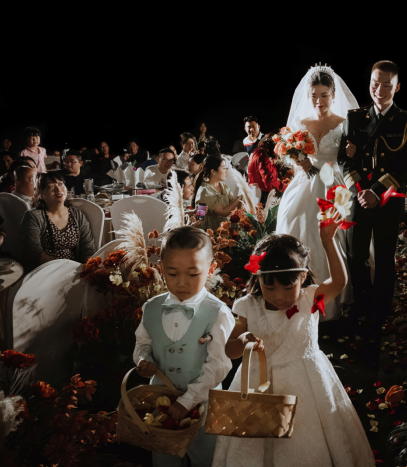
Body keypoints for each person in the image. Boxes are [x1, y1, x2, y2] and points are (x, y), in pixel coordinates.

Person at [212, 229, 375, 467]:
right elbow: (230, 350)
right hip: (259, 384)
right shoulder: (247, 307)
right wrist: (242, 341)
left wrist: (328, 241)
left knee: (305, 442)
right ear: (258, 279)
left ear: (302, 277)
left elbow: (339, 283)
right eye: (270, 288)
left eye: (288, 288)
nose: (280, 297)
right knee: (256, 445)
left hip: (307, 385)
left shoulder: (310, 299)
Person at [133, 226, 242, 467]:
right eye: (172, 273)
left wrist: (188, 400)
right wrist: (142, 359)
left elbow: (219, 364)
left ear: (211, 270)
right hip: (160, 404)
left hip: (204, 409)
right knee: (164, 458)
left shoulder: (218, 313)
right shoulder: (151, 307)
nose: (182, 282)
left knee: (207, 458)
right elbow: (143, 342)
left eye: (193, 274)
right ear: (161, 269)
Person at [338, 60, 407, 361]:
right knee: (356, 255)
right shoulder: (355, 117)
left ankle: (380, 315)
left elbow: (405, 164)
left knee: (385, 257)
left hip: (388, 199)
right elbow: (343, 160)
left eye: (387, 84)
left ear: (397, 87)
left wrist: (377, 191)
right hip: (359, 199)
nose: (380, 89)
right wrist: (362, 191)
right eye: (375, 82)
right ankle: (362, 308)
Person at [277, 66, 358, 321]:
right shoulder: (301, 123)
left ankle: (328, 301)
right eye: (314, 95)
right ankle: (292, 296)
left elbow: (348, 159)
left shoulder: (344, 124)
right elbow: (288, 154)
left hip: (331, 183)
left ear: (333, 95)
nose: (318, 101)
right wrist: (297, 160)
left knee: (327, 235)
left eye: (323, 95)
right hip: (304, 183)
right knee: (294, 227)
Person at [19, 172, 96, 273]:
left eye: (61, 184)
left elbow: (87, 248)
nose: (58, 189)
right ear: (41, 194)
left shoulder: (77, 215)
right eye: (51, 186)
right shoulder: (33, 217)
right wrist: (63, 270)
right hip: (44, 272)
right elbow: (34, 252)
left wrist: (88, 269)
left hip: (75, 271)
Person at [194, 155, 243, 232]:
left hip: (224, 230)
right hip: (210, 233)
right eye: (223, 168)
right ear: (213, 171)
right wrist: (240, 197)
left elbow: (234, 206)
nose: (226, 170)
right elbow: (224, 212)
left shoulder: (224, 187)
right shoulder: (204, 192)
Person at [247, 137, 284, 205]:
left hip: (257, 192)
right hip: (263, 195)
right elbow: (268, 180)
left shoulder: (257, 152)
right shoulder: (263, 158)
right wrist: (284, 186)